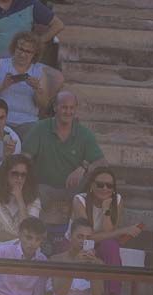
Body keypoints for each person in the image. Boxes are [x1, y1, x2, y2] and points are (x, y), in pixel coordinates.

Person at [21, 90, 105, 226]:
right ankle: (32, 231)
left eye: (72, 108)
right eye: (64, 107)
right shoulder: (40, 128)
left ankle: (85, 233)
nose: (68, 112)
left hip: (73, 189)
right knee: (30, 188)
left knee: (99, 178)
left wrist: (83, 168)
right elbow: (24, 158)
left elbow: (102, 162)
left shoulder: (84, 133)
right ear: (55, 108)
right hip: (43, 188)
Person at [0, 31, 49, 136]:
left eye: (28, 51)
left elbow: (43, 104)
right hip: (0, 120)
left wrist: (37, 89)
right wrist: (2, 86)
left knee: (35, 135)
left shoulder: (39, 70)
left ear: (35, 54)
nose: (22, 54)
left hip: (28, 121)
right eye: (20, 49)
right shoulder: (1, 64)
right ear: (14, 47)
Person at [0, 151, 38, 256]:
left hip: (23, 248)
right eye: (15, 174)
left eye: (23, 175)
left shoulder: (34, 200)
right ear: (5, 175)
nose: (19, 178)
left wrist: (20, 200)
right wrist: (20, 240)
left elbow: (30, 231)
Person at [0, 0, 62, 68]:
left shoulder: (29, 3)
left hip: (23, 62)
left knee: (57, 78)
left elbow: (58, 25)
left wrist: (37, 43)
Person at [48, 217, 102, 295]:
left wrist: (94, 268)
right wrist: (75, 265)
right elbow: (60, 294)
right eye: (80, 237)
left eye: (88, 238)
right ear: (70, 236)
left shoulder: (97, 263)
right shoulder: (56, 259)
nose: (84, 241)